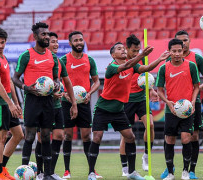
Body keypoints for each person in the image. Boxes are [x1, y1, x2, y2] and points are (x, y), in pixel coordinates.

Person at [87, 42, 170, 180]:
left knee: (130, 137)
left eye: (123, 48)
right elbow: (126, 65)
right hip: (103, 109)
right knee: (97, 137)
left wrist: (160, 59)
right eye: (119, 49)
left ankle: (131, 173)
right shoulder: (112, 67)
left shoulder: (133, 66)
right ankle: (91, 173)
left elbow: (146, 68)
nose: (123, 50)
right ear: (113, 55)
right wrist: (142, 55)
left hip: (119, 110)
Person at [12, 22, 64, 180]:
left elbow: (56, 78)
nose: (47, 37)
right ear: (35, 37)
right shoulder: (26, 55)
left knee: (47, 137)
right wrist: (27, 88)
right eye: (44, 35)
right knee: (29, 137)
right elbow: (15, 78)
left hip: (48, 101)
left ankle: (47, 174)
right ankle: (24, 172)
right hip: (32, 101)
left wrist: (56, 84)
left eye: (48, 35)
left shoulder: (53, 57)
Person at [161, 30, 203, 180]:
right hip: (171, 110)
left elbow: (197, 86)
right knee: (169, 140)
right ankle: (170, 173)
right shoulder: (164, 67)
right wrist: (168, 102)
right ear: (169, 52)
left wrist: (192, 102)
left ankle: (186, 171)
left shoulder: (192, 64)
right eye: (174, 51)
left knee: (187, 138)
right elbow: (160, 89)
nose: (177, 53)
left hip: (188, 109)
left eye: (180, 50)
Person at [35, 32, 78, 180]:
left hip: (58, 106)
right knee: (41, 138)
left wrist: (73, 103)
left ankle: (50, 171)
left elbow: (67, 82)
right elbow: (38, 84)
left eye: (57, 42)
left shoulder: (59, 62)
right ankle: (40, 172)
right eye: (53, 41)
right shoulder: (41, 60)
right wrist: (49, 94)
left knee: (60, 135)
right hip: (42, 105)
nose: (56, 44)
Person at [60, 31, 101, 179]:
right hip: (67, 103)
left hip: (84, 102)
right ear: (70, 43)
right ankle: (66, 171)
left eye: (81, 40)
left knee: (86, 136)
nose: (79, 42)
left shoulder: (89, 60)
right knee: (68, 135)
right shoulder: (63, 60)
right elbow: (56, 80)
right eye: (76, 40)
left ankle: (91, 170)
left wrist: (89, 93)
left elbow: (97, 81)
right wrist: (63, 93)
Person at [0, 28, 24, 180]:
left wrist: (16, 102)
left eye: (2, 42)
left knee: (18, 135)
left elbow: (9, 82)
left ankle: (2, 169)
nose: (0, 45)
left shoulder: (4, 58)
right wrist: (10, 104)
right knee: (1, 137)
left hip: (8, 102)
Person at [119, 34, 159, 176]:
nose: (136, 53)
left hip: (141, 98)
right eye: (134, 51)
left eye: (138, 51)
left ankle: (146, 156)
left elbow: (145, 77)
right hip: (126, 101)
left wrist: (151, 90)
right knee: (126, 135)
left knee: (151, 125)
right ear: (127, 49)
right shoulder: (121, 61)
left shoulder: (142, 59)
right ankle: (125, 167)